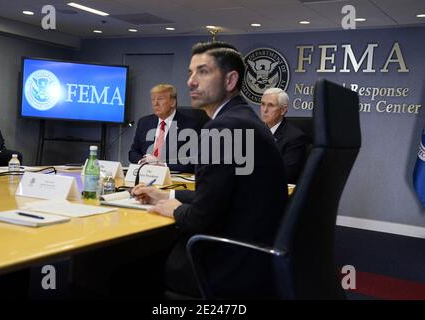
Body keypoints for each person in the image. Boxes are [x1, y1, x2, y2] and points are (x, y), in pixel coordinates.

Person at [132, 42, 288, 298]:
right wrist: (168, 196)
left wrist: (176, 210)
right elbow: (222, 196)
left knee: (123, 265)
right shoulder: (244, 120)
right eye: (190, 73)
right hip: (253, 255)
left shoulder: (223, 128)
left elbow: (201, 219)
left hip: (223, 261)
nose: (191, 82)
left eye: (203, 72)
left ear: (230, 80)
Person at [128, 84, 199, 173]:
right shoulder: (144, 122)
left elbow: (191, 161)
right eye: (153, 99)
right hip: (146, 174)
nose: (155, 103)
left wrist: (161, 165)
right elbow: (133, 152)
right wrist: (143, 161)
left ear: (173, 102)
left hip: (172, 178)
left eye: (160, 99)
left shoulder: (190, 125)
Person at [260, 88, 308, 183]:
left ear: (283, 110)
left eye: (271, 105)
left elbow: (284, 175)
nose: (264, 110)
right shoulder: (254, 131)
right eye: (262, 104)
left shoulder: (295, 138)